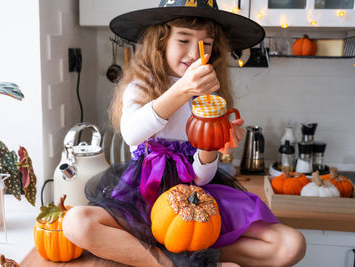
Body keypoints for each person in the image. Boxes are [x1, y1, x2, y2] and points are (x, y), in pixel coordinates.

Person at [63, 1, 306, 266]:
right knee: (76, 223)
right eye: (184, 40)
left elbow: (201, 179)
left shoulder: (209, 97)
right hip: (144, 198)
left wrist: (211, 144)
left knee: (292, 245)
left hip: (196, 201)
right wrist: (182, 91)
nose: (195, 53)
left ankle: (196, 259)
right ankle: (171, 264)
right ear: (161, 42)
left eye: (207, 43)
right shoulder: (142, 87)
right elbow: (132, 134)